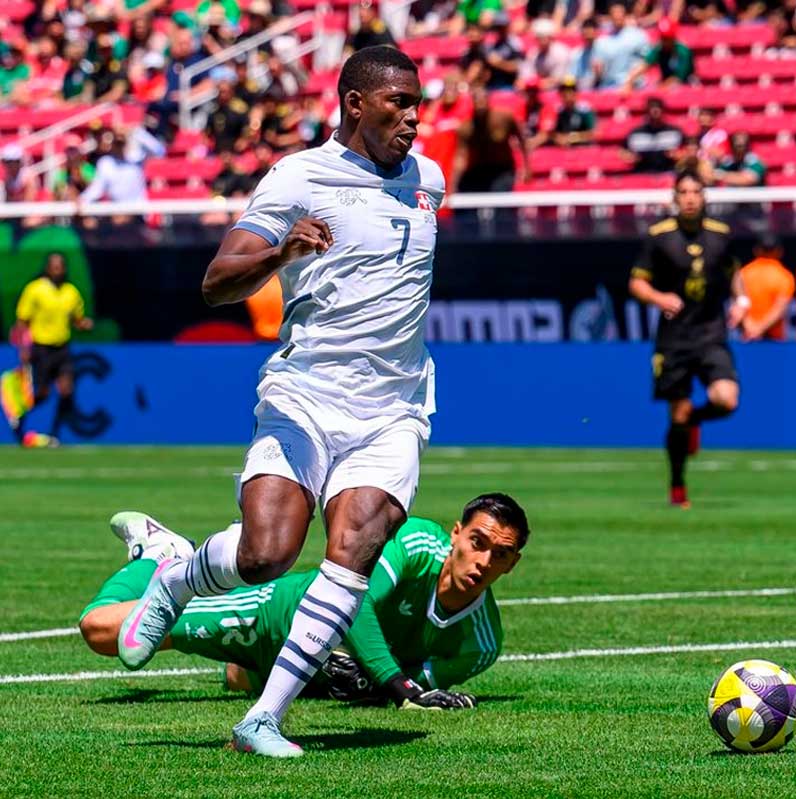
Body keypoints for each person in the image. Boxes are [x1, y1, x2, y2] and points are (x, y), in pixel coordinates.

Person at [115, 46, 444, 758]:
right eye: (399, 103)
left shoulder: (429, 180)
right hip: (306, 392)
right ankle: (175, 576)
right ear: (355, 103)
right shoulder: (297, 177)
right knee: (267, 554)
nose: (414, 117)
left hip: (392, 405)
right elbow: (216, 283)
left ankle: (261, 718)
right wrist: (280, 255)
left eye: (419, 103)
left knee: (354, 543)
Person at [82, 493, 529, 706]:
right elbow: (354, 600)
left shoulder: (482, 644)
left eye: (501, 554)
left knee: (237, 678)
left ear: (512, 564)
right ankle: (162, 555)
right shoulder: (417, 543)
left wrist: (377, 684)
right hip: (280, 612)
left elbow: (413, 681)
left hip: (309, 674)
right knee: (101, 631)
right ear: (456, 535)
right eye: (478, 541)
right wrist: (395, 684)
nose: (483, 560)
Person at [629, 170, 747, 508]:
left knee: (727, 400)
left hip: (711, 335)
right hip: (674, 340)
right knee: (676, 414)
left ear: (705, 196)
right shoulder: (659, 236)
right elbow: (636, 282)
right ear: (675, 198)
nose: (691, 197)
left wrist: (741, 303)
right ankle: (677, 485)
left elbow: (734, 274)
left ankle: (695, 420)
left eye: (697, 191)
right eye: (684, 192)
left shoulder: (721, 235)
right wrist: (659, 298)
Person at [8, 252, 94, 447]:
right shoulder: (35, 289)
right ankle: (19, 417)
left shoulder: (71, 292)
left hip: (62, 348)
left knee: (66, 389)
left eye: (61, 267)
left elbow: (76, 319)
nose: (58, 270)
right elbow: (22, 321)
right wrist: (23, 347)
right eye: (54, 267)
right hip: (41, 348)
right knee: (43, 394)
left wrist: (84, 324)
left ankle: (54, 433)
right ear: (48, 268)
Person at [453, 85, 529, 193]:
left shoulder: (504, 118)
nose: (480, 104)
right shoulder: (466, 128)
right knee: (465, 193)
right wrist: (453, 185)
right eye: (477, 100)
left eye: (482, 100)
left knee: (500, 198)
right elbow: (460, 156)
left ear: (488, 101)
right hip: (479, 169)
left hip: (503, 168)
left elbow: (522, 141)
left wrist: (527, 168)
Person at [739, 233, 795, 342]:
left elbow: (738, 304)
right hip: (773, 342)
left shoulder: (743, 274)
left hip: (746, 336)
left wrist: (751, 328)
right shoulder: (784, 276)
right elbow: (779, 309)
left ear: (756, 250)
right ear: (779, 252)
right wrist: (759, 329)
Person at [624, 17, 693, 91]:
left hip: (685, 86)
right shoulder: (659, 49)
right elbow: (644, 64)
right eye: (662, 38)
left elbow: (678, 78)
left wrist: (660, 88)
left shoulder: (683, 52)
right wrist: (629, 81)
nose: (664, 41)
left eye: (667, 38)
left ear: (673, 37)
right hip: (665, 85)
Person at [592, 1, 649, 89]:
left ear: (625, 15)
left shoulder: (638, 35)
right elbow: (598, 70)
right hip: (610, 87)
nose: (617, 15)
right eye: (614, 13)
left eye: (619, 12)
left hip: (635, 87)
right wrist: (598, 70)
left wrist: (630, 80)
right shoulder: (602, 42)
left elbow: (647, 61)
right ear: (610, 16)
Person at [622, 96, 683, 173]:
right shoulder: (636, 133)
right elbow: (622, 150)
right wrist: (629, 157)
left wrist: (679, 155)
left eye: (658, 108)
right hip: (642, 174)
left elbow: (687, 150)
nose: (655, 111)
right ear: (646, 111)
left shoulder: (674, 132)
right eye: (652, 108)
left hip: (669, 173)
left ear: (663, 110)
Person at [551, 75, 596, 147]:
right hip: (563, 150)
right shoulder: (558, 111)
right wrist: (558, 138)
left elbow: (593, 133)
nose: (567, 94)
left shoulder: (585, 110)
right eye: (564, 90)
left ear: (576, 92)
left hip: (583, 149)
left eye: (570, 90)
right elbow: (552, 132)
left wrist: (572, 138)